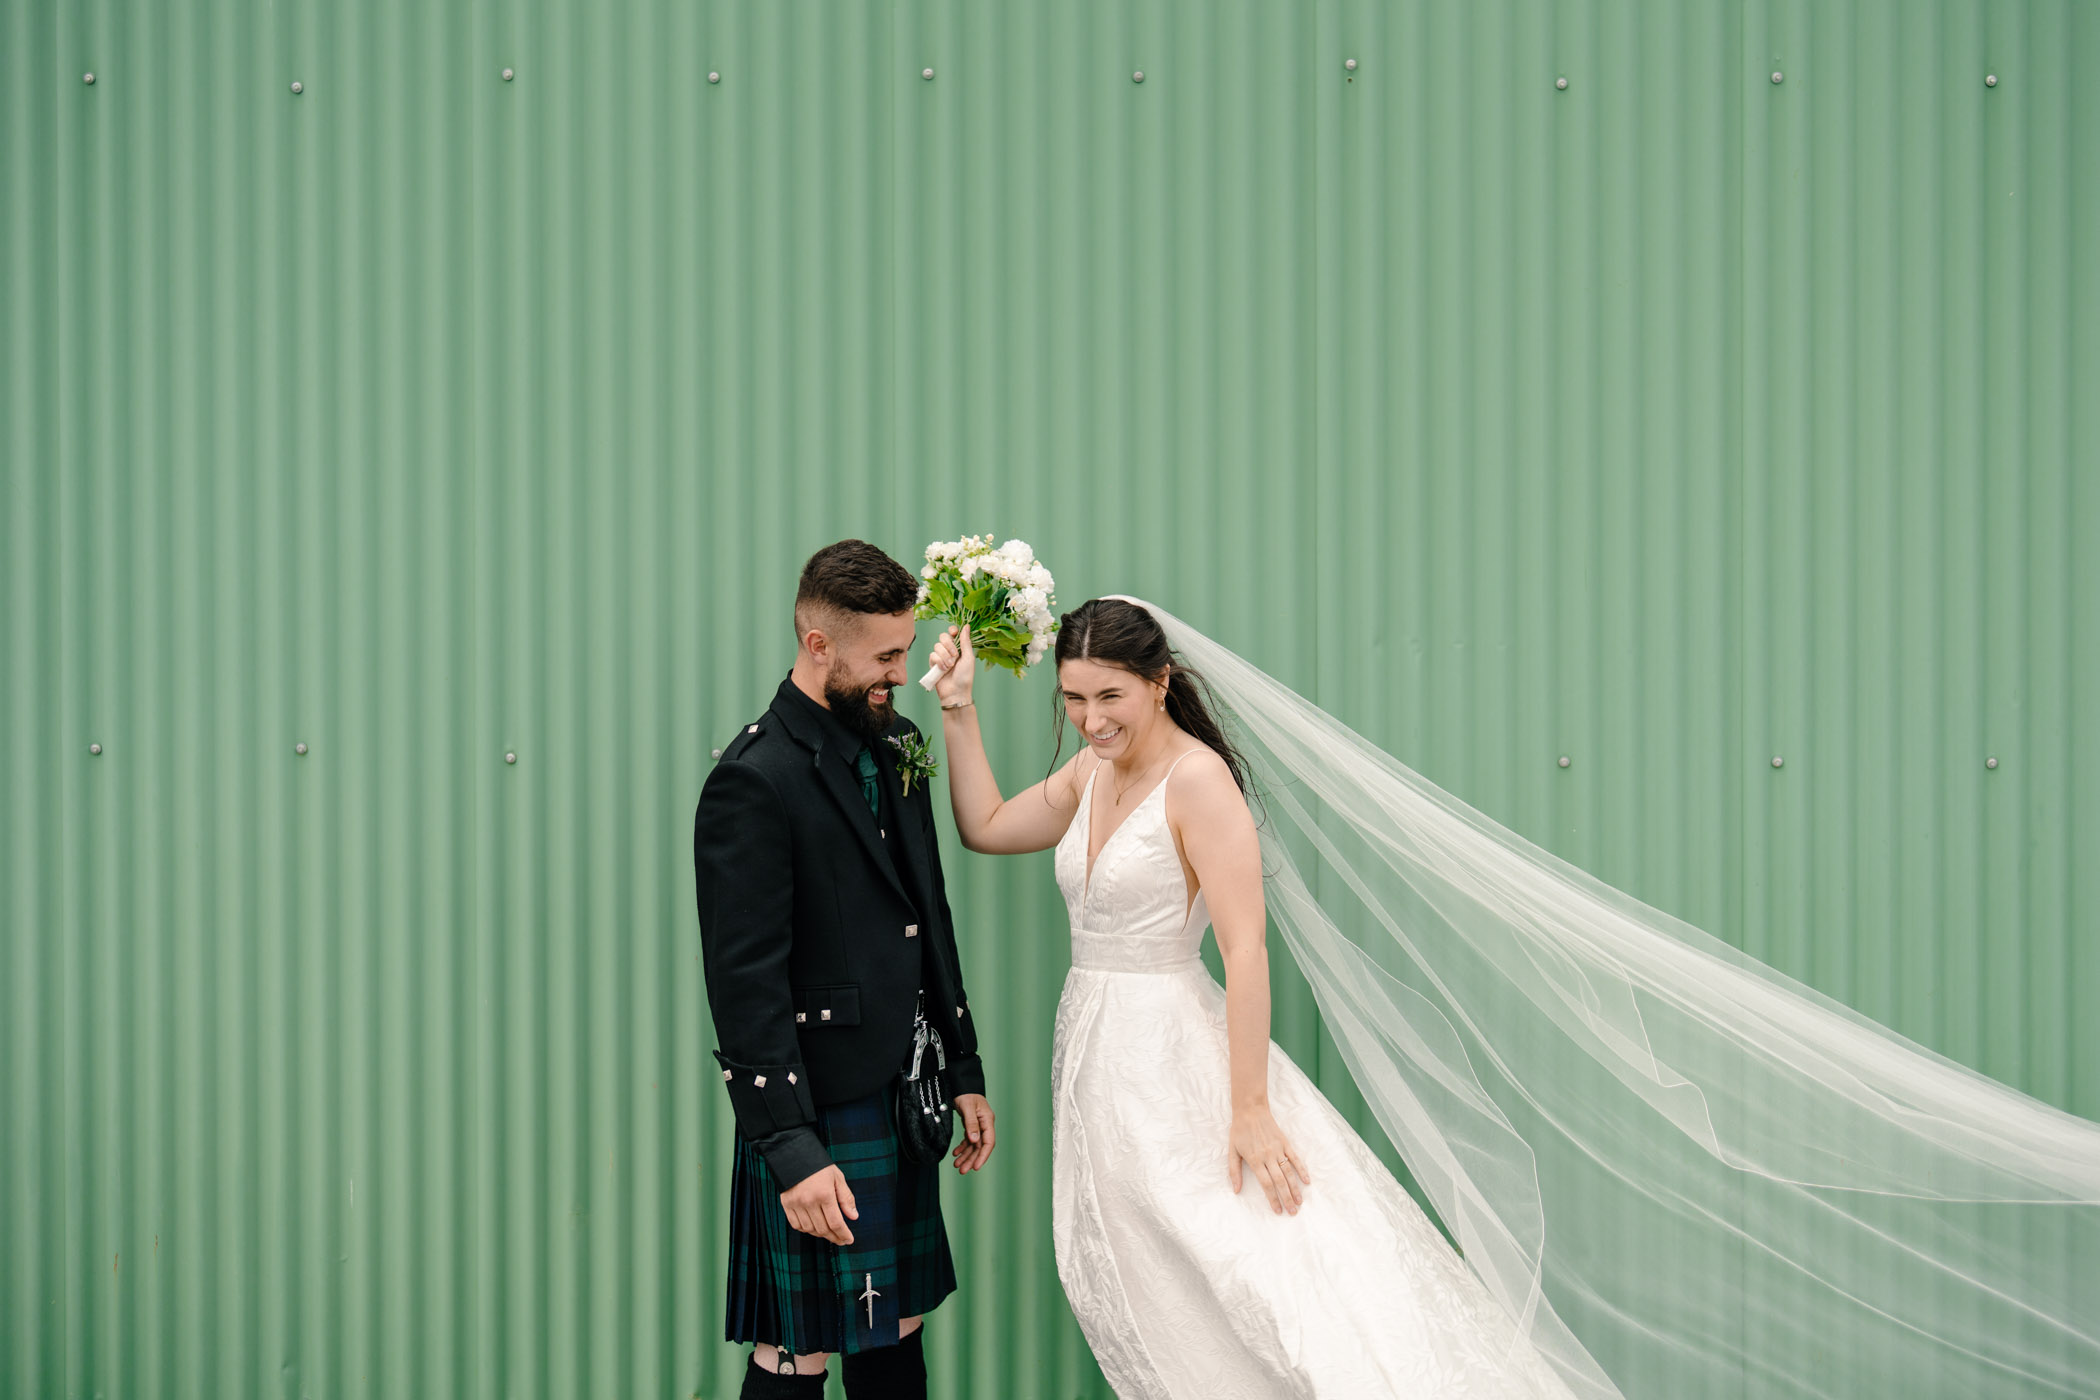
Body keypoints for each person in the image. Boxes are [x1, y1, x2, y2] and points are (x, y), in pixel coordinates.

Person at [923, 597, 1576, 1399]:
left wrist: (1250, 1107)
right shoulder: (1092, 769)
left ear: (1159, 683)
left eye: (1110, 697)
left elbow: (1244, 949)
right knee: (1158, 1277)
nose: (1091, 720)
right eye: (1074, 699)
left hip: (1174, 1059)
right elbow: (987, 825)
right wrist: (958, 708)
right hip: (1101, 1061)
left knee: (1253, 1275)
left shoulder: (1197, 781)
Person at [695, 540, 997, 1400]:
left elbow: (926, 909)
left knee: (894, 1323)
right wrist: (788, 1147)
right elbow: (742, 981)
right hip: (816, 1101)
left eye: (905, 650)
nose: (901, 673)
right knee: (800, 1347)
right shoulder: (754, 780)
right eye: (886, 656)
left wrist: (962, 1063)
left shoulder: (895, 740)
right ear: (818, 645)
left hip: (902, 1086)